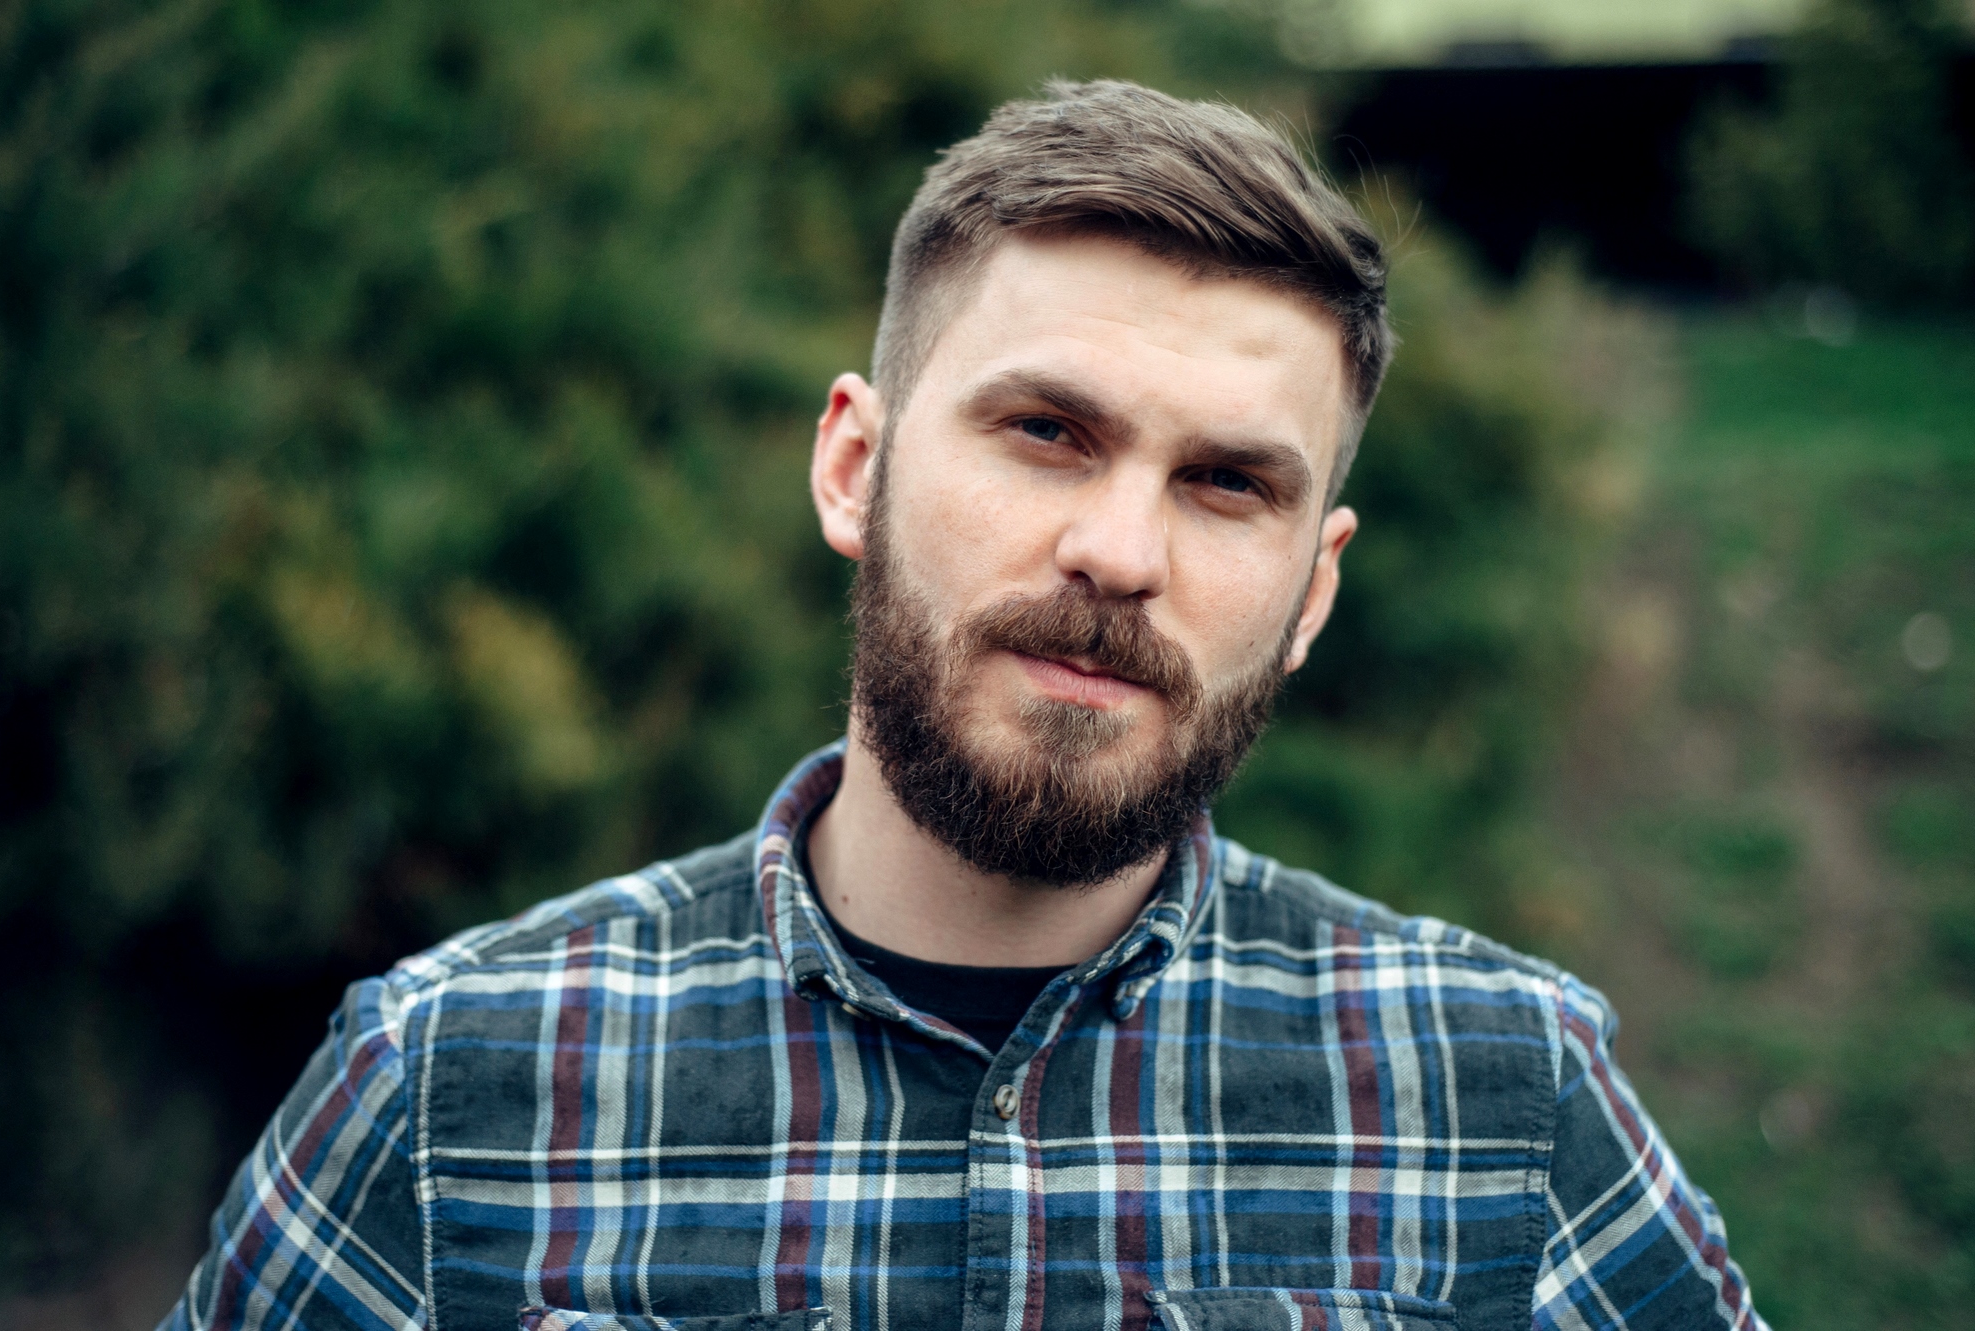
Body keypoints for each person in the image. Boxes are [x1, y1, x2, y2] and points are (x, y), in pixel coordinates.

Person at [162, 80, 1764, 1331]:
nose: (1120, 553)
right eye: (1049, 432)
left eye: (1225, 485)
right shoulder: (450, 1091)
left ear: (1312, 595)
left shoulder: (1502, 1099)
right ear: (854, 466)